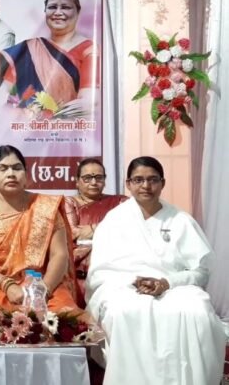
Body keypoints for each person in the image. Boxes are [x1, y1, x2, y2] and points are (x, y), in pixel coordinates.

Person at [86, 156, 225, 385]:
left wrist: (167, 282)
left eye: (153, 180)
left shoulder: (181, 220)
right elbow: (100, 272)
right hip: (124, 287)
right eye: (138, 180)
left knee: (198, 311)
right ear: (128, 184)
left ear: (163, 183)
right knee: (124, 312)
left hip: (175, 286)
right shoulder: (114, 220)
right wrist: (134, 281)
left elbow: (201, 271)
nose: (146, 186)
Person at [0, 145, 77, 312]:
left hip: (40, 283)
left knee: (66, 314)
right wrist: (7, 284)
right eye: (2, 169)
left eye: (17, 168)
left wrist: (44, 289)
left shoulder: (46, 206)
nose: (11, 174)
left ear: (26, 175)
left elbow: (59, 255)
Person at [0, 0, 98, 111]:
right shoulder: (30, 49)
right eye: (52, 7)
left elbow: (89, 100)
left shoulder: (88, 49)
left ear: (78, 11)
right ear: (45, 11)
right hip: (24, 121)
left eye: (65, 7)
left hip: (69, 121)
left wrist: (49, 115)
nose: (58, 12)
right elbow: (3, 94)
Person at [63, 158, 125, 307]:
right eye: (87, 178)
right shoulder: (69, 203)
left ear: (105, 180)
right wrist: (109, 230)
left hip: (113, 271)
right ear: (77, 181)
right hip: (79, 272)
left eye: (98, 177)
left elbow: (127, 228)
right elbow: (73, 233)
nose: (93, 182)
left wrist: (91, 230)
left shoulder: (120, 202)